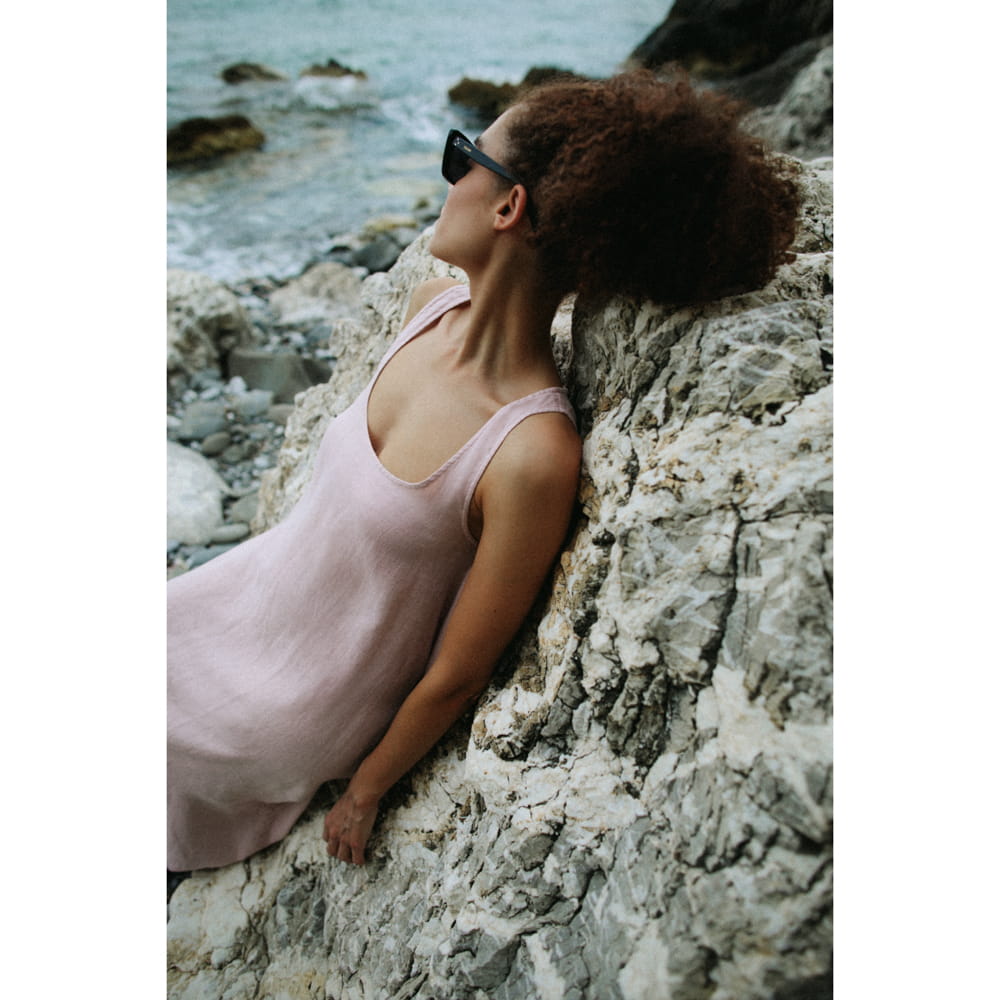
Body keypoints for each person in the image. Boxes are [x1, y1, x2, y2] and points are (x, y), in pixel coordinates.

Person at [167, 70, 800, 875]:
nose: (451, 176)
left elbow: (458, 673)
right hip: (234, 605)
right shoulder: (428, 307)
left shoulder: (530, 453)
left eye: (461, 156)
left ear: (509, 206)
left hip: (283, 703)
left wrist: (368, 788)